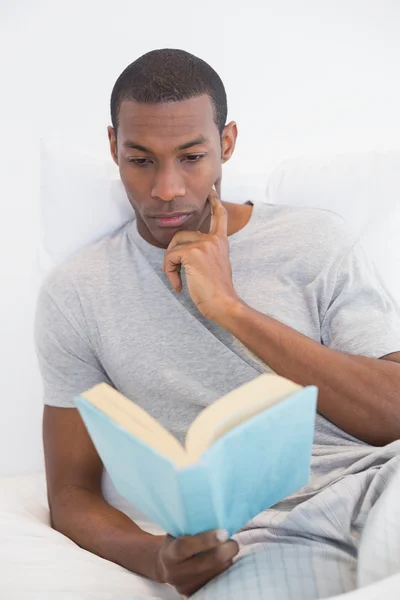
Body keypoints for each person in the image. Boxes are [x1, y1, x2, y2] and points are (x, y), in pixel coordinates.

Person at [35, 48, 400, 600]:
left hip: (383, 484)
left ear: (226, 143)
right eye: (140, 160)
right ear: (113, 146)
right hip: (263, 542)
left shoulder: (314, 239)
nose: (166, 189)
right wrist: (157, 558)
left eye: (191, 157)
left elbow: (393, 413)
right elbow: (70, 491)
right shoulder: (77, 293)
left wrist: (232, 308)